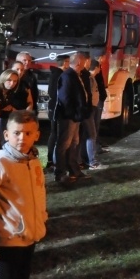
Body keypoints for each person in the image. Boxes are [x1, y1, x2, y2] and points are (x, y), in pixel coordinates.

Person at [0, 110, 47, 279]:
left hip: (29, 235)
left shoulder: (34, 161)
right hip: (8, 239)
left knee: (21, 277)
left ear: (36, 135)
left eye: (28, 133)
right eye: (16, 133)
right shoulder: (0, 163)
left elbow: (40, 192)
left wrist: (41, 218)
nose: (22, 138)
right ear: (6, 135)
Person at [54, 52, 90, 184]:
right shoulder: (68, 76)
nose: (87, 64)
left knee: (73, 143)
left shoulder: (74, 75)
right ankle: (60, 173)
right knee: (64, 144)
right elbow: (65, 98)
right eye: (85, 61)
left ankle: (73, 170)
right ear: (80, 62)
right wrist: (73, 114)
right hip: (68, 117)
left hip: (74, 116)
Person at [45, 55, 70, 170]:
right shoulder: (59, 75)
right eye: (68, 62)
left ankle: (52, 160)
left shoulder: (55, 74)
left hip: (54, 108)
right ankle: (52, 160)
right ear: (64, 63)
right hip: (57, 109)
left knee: (54, 133)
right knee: (55, 134)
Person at [81, 59, 106, 170]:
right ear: (96, 68)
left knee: (88, 134)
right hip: (90, 109)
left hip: (91, 108)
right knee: (91, 134)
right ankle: (92, 161)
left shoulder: (90, 78)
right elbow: (89, 95)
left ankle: (86, 159)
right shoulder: (90, 79)